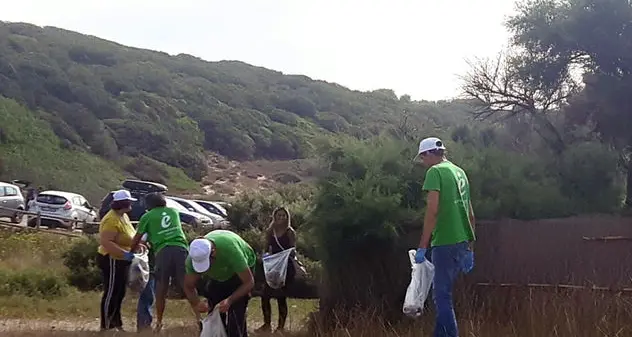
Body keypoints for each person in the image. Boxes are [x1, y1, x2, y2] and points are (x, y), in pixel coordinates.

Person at [414, 137, 476, 337]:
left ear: (430, 154)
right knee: (443, 294)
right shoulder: (460, 172)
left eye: (423, 157)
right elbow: (470, 213)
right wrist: (470, 248)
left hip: (445, 241)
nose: (423, 162)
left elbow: (432, 211)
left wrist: (423, 246)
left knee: (441, 297)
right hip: (461, 241)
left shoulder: (436, 172)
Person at [130, 192, 189, 333]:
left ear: (149, 205)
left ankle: (159, 322)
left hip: (163, 251)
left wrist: (130, 252)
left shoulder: (147, 217)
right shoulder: (174, 212)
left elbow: (138, 237)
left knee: (161, 287)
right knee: (187, 284)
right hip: (181, 248)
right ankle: (199, 316)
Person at [183, 230, 256, 337]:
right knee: (214, 314)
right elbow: (188, 286)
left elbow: (249, 282)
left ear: (213, 252)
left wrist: (229, 300)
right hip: (219, 276)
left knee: (236, 316)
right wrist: (197, 303)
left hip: (240, 272)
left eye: (207, 263)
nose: (204, 270)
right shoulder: (193, 257)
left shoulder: (231, 251)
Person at [97, 189, 139, 332]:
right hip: (112, 259)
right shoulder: (111, 219)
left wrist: (139, 244)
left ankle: (116, 322)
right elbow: (106, 242)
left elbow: (129, 235)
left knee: (120, 292)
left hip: (122, 259)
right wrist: (123, 253)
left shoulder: (124, 217)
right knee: (111, 292)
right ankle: (107, 325)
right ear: (123, 203)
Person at [255, 207, 297, 334]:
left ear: (287, 217)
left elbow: (293, 250)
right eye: (279, 215)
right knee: (265, 296)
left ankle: (280, 327)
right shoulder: (270, 231)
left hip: (286, 267)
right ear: (275, 216)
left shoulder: (290, 232)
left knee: (281, 297)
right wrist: (265, 256)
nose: (281, 218)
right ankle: (266, 324)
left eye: (284, 215)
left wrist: (286, 255)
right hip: (273, 267)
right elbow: (266, 248)